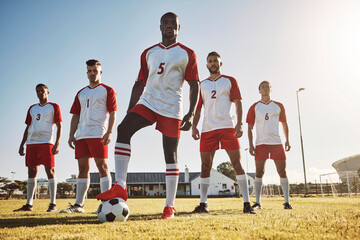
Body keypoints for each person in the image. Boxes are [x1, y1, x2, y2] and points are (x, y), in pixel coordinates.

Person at [97, 12, 199, 219]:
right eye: (166, 23)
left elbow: (195, 84)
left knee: (170, 154)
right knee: (123, 129)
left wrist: (191, 113)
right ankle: (120, 186)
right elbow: (139, 83)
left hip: (172, 107)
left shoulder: (187, 53)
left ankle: (169, 206)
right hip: (148, 102)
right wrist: (129, 112)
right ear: (160, 27)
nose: (170, 26)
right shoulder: (148, 53)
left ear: (179, 27)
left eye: (174, 24)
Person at [191, 51, 256, 214]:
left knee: (237, 164)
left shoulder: (230, 81)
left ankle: (247, 204)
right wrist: (194, 126)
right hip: (208, 129)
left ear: (221, 64)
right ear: (206, 65)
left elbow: (238, 103)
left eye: (215, 61)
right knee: (205, 166)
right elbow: (197, 109)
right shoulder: (202, 85)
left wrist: (240, 123)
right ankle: (203, 204)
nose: (213, 63)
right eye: (210, 61)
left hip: (227, 127)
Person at [60, 59, 117, 213]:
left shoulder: (107, 90)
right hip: (81, 136)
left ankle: (106, 204)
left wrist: (109, 131)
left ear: (100, 72)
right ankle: (79, 205)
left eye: (95, 70)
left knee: (102, 167)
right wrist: (71, 135)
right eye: (90, 71)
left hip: (98, 134)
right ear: (87, 73)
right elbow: (75, 116)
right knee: (82, 169)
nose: (92, 73)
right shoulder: (81, 93)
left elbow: (113, 113)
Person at [14, 84, 62, 212]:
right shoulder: (32, 108)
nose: (40, 93)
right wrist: (22, 143)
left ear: (48, 92)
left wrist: (57, 143)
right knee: (31, 171)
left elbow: (59, 126)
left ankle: (53, 204)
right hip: (31, 143)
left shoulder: (54, 106)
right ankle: (29, 204)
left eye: (43, 91)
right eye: (38, 91)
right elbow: (28, 126)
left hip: (46, 142)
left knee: (50, 170)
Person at [246, 81, 293, 209]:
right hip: (261, 144)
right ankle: (258, 202)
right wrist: (251, 145)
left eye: (267, 87)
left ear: (271, 89)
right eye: (263, 87)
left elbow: (284, 124)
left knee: (282, 171)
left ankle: (287, 202)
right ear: (259, 90)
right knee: (259, 172)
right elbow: (249, 127)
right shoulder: (255, 107)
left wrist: (287, 140)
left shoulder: (278, 106)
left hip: (276, 143)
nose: (265, 89)